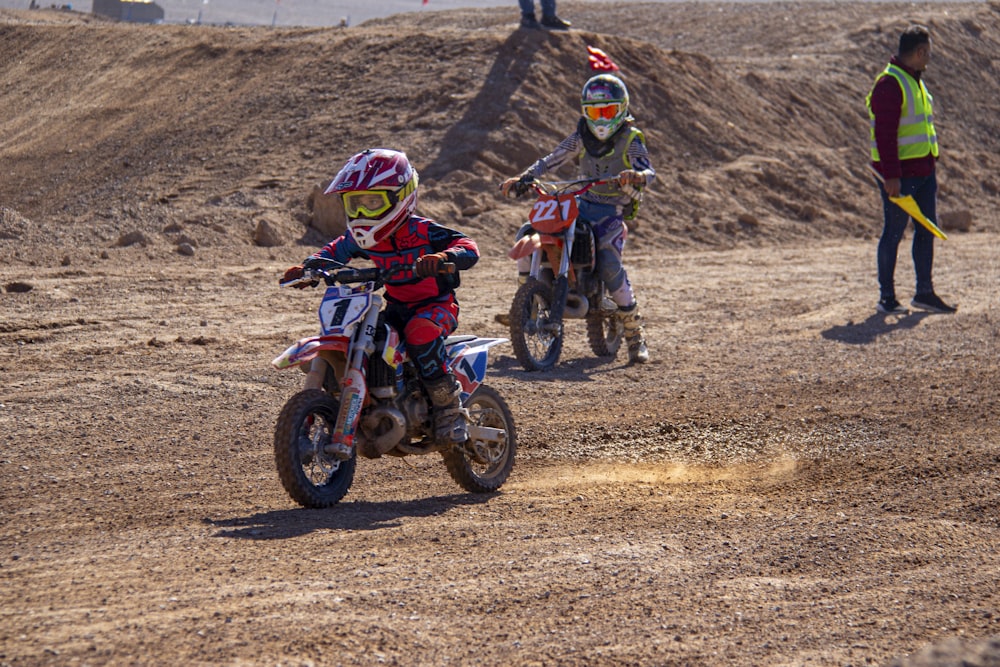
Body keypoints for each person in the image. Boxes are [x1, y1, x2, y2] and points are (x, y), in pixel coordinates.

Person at [282, 149, 480, 445]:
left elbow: (468, 245)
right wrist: (310, 268)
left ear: (401, 197)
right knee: (362, 336)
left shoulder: (422, 231)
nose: (362, 212)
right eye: (355, 203)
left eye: (373, 202)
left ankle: (450, 410)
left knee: (420, 333)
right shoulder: (361, 238)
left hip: (435, 306)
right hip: (395, 307)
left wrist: (443, 257)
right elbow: (333, 252)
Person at [501, 73, 653, 364]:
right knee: (528, 231)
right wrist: (525, 177)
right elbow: (554, 157)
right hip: (580, 203)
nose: (600, 118)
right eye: (594, 112)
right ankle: (527, 305)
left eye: (607, 111)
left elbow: (649, 171)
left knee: (609, 263)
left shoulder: (631, 139)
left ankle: (635, 333)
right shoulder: (582, 134)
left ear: (621, 109)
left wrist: (638, 175)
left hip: (610, 211)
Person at [866, 24, 956, 315]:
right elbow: (885, 135)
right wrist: (891, 176)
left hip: (924, 171)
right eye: (928, 52)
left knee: (926, 229)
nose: (930, 56)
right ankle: (887, 298)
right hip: (900, 177)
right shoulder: (889, 84)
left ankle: (924, 293)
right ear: (919, 52)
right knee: (893, 233)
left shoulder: (914, 80)